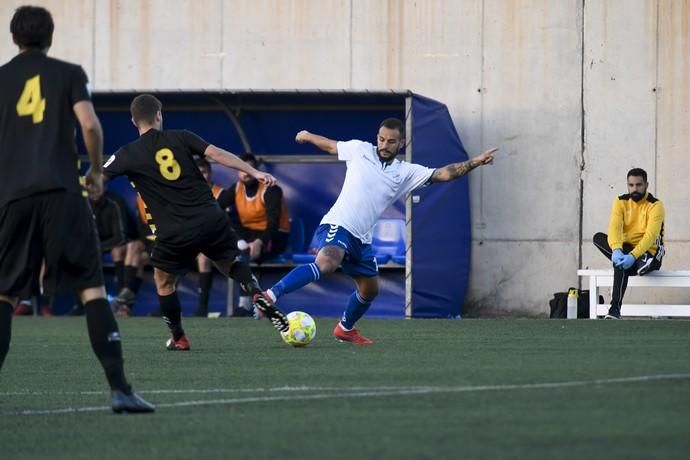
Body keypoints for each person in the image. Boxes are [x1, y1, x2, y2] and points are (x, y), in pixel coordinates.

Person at [0, 5, 153, 413]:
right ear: (49, 37)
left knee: (4, 294)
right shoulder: (68, 73)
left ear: (14, 37)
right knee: (91, 289)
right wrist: (96, 173)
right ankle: (120, 389)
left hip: (12, 197)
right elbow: (89, 124)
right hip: (63, 193)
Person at [263, 118, 497, 344]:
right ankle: (270, 295)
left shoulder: (405, 172)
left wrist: (475, 162)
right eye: (381, 139)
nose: (384, 145)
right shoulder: (359, 150)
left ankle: (345, 329)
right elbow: (330, 145)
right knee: (327, 263)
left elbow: (443, 174)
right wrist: (306, 135)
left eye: (391, 141)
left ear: (402, 143)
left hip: (361, 238)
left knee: (370, 289)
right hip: (338, 225)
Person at [103, 94, 289, 350]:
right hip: (211, 218)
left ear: (134, 121)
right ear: (159, 115)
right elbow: (216, 153)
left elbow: (98, 179)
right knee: (230, 263)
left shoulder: (125, 154)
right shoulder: (180, 136)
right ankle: (257, 294)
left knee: (164, 281)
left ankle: (179, 337)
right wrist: (254, 172)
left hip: (174, 230)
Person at [197, 153, 291, 317]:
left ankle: (245, 305)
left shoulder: (270, 189)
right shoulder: (237, 188)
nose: (245, 173)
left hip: (274, 237)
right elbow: (216, 207)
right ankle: (244, 302)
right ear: (238, 171)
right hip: (249, 236)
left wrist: (260, 241)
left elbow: (274, 223)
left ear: (255, 170)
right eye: (242, 169)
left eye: (249, 169)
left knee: (243, 251)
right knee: (232, 244)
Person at [593, 168, 665, 319]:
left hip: (650, 254)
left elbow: (650, 236)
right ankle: (636, 262)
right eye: (631, 185)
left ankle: (614, 310)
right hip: (628, 253)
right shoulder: (620, 201)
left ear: (646, 185)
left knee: (622, 262)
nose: (635, 189)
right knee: (598, 238)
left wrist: (633, 255)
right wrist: (616, 249)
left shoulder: (655, 205)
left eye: (639, 185)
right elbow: (614, 227)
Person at [191, 156, 234, 317]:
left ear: (210, 173)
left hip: (218, 240)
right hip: (194, 240)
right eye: (199, 172)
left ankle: (203, 305)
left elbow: (228, 221)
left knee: (203, 256)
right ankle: (166, 305)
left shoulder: (221, 194)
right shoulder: (189, 193)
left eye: (205, 171)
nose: (203, 175)